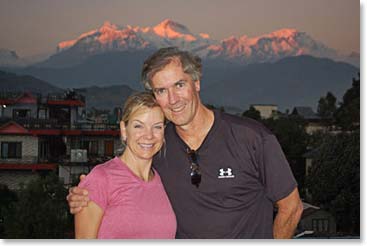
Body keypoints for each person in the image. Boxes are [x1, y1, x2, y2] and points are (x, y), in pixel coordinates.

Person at [67, 47, 303, 239]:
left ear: (196, 83)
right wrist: (87, 193)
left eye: (179, 85)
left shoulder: (251, 138)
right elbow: (123, 176)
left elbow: (291, 207)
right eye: (162, 90)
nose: (173, 100)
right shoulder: (158, 145)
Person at [74, 92, 176, 239]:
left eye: (157, 127)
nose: (149, 135)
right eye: (138, 126)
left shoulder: (162, 180)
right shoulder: (101, 179)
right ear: (124, 130)